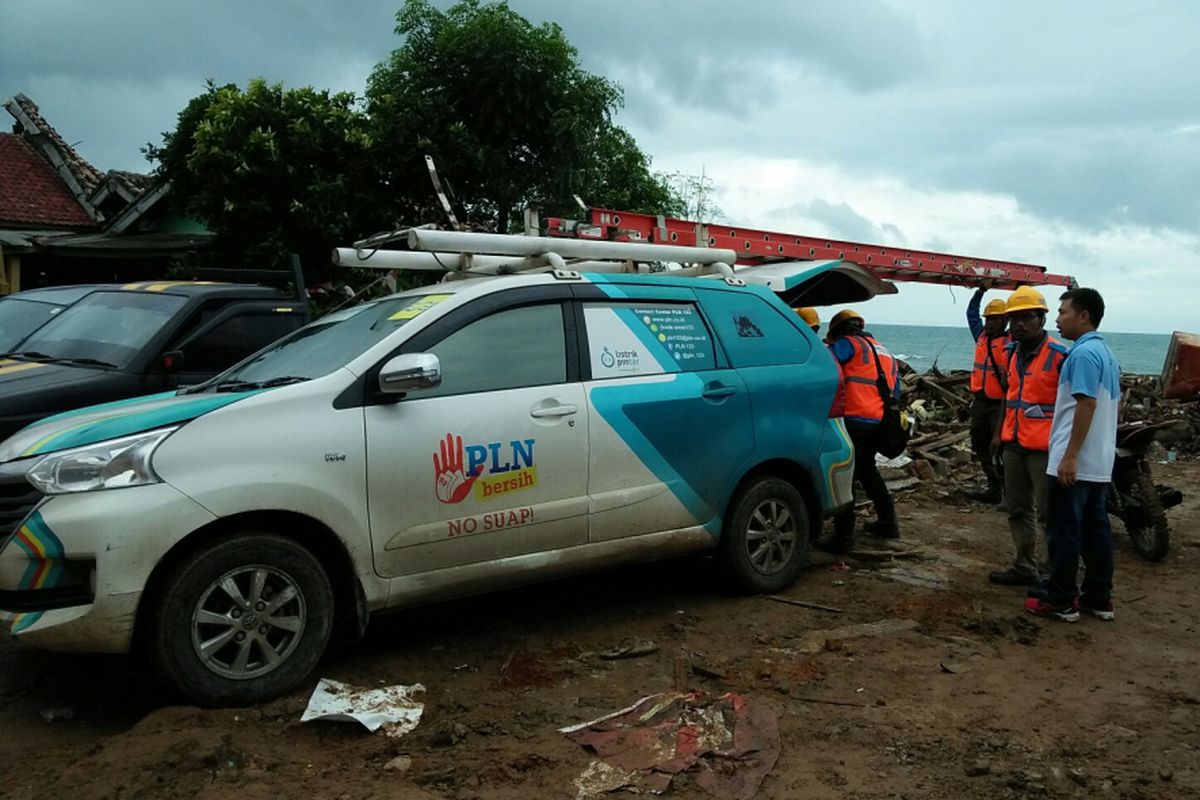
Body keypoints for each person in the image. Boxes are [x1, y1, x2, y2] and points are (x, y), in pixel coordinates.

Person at [1026, 288, 1121, 622]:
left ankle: (1063, 599)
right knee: (1096, 531)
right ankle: (1098, 596)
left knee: (1063, 530)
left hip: (1075, 463)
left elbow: (1086, 404)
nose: (1057, 318)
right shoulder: (1106, 353)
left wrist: (1069, 456)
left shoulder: (1081, 355)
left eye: (1063, 312)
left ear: (1084, 315)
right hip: (1098, 462)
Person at [988, 286, 1068, 585]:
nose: (1019, 324)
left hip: (1045, 448)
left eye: (1027, 317)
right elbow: (1009, 397)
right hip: (1014, 443)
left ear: (1041, 319)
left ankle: (1054, 572)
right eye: (1015, 319)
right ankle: (1024, 566)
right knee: (1018, 509)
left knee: (1050, 513)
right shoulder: (1011, 353)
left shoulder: (1060, 356)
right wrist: (999, 433)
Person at [815, 308, 901, 553]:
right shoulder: (882, 350)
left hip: (854, 419)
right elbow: (896, 391)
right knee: (867, 470)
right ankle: (888, 522)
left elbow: (825, 363)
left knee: (847, 476)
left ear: (840, 330)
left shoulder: (848, 344)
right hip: (879, 421)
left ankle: (843, 538)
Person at [966, 288, 1011, 504]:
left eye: (994, 319)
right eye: (988, 319)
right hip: (981, 400)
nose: (989, 323)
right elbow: (971, 314)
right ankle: (993, 487)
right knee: (979, 442)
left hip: (1000, 403)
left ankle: (1007, 491)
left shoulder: (1012, 341)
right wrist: (979, 292)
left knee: (1000, 446)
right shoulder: (981, 336)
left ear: (1005, 320)